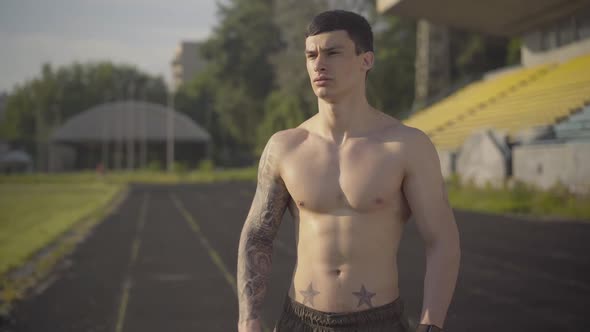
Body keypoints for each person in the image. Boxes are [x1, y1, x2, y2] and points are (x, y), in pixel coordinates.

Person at [237, 9, 460, 332]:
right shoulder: (285, 147)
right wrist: (248, 318)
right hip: (299, 321)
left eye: (332, 52)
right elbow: (257, 235)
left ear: (366, 60)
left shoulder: (406, 145)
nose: (319, 64)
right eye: (311, 55)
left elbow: (442, 240)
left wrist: (431, 323)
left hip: (378, 322)